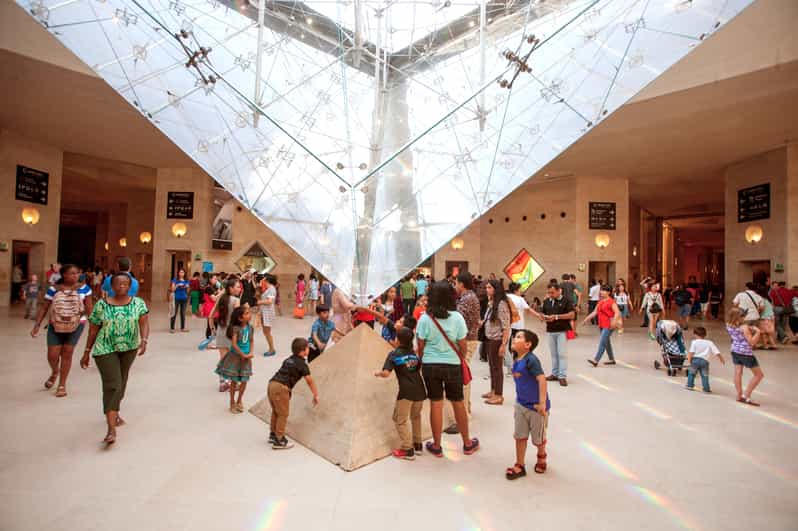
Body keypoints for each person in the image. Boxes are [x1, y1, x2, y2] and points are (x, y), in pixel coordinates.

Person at [80, 273, 149, 444]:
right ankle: (111, 429)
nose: (121, 287)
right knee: (113, 385)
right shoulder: (102, 305)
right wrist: (87, 351)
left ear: (130, 285)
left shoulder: (138, 303)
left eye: (125, 284)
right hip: (105, 348)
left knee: (122, 383)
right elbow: (94, 329)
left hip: (129, 348)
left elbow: (144, 322)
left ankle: (115, 412)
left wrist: (144, 340)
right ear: (111, 286)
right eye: (118, 284)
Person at [416, 281, 479, 458]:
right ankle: (467, 443)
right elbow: (462, 344)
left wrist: (423, 360)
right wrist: (460, 359)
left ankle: (437, 446)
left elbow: (420, 346)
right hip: (452, 365)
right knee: (458, 402)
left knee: (436, 403)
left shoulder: (425, 319)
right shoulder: (457, 318)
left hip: (430, 365)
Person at [31, 264, 93, 398]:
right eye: (71, 273)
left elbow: (89, 307)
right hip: (56, 324)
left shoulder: (85, 288)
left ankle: (62, 384)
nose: (75, 276)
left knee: (67, 352)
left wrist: (95, 324)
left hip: (77, 324)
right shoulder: (53, 289)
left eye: (77, 273)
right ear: (63, 275)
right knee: (52, 355)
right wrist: (37, 325)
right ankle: (54, 372)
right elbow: (45, 306)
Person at [374, 327, 426, 460]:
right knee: (416, 417)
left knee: (399, 420)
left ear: (397, 339)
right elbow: (417, 369)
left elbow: (386, 373)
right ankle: (418, 445)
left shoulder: (394, 354)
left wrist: (378, 373)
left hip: (406, 392)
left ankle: (407, 449)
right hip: (420, 390)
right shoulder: (413, 354)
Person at [506, 329, 550, 479]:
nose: (514, 338)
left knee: (538, 439)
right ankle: (519, 465)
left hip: (537, 408)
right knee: (519, 436)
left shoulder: (531, 360)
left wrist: (542, 403)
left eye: (518, 337)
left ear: (528, 344)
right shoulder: (516, 358)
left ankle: (541, 454)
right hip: (521, 405)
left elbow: (542, 379)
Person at [267, 338, 319, 449]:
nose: (308, 349)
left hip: (272, 384)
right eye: (307, 348)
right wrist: (315, 394)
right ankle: (279, 440)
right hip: (281, 388)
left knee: (276, 412)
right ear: (303, 351)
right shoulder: (302, 364)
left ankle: (273, 434)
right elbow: (309, 380)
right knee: (283, 414)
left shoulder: (288, 359)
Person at [532, 283, 574, 386]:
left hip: (562, 331)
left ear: (559, 290)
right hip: (550, 331)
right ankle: (555, 374)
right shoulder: (546, 301)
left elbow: (571, 315)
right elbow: (542, 313)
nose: (550, 294)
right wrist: (542, 317)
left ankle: (562, 376)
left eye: (552, 292)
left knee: (562, 354)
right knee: (554, 354)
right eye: (549, 292)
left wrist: (556, 317)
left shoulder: (566, 300)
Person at [215, 306, 254, 413]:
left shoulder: (250, 328)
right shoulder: (236, 329)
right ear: (240, 318)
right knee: (234, 381)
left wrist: (250, 352)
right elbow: (234, 344)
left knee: (245, 380)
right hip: (235, 357)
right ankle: (232, 402)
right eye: (246, 313)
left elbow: (251, 341)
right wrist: (243, 354)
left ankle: (239, 400)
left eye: (249, 313)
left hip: (246, 358)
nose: (249, 315)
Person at [726, 307, 765, 406]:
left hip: (735, 350)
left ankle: (739, 395)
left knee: (738, 373)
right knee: (759, 375)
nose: (744, 318)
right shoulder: (744, 327)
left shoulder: (728, 325)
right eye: (743, 316)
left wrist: (747, 328)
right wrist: (757, 332)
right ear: (739, 317)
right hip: (746, 353)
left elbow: (739, 334)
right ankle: (746, 395)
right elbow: (751, 342)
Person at [482, 280, 511, 405]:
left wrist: (504, 345)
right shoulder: (492, 303)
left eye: (489, 287)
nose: (486, 289)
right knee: (492, 366)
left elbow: (506, 326)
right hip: (490, 338)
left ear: (496, 289)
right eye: (486, 287)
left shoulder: (501, 304)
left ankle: (499, 395)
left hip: (497, 340)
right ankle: (493, 390)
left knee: (497, 368)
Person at [209, 278, 241, 392]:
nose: (239, 289)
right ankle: (232, 383)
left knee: (223, 358)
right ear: (230, 288)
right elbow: (239, 319)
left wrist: (213, 329)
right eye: (237, 287)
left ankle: (223, 383)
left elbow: (211, 316)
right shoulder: (236, 301)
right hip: (232, 333)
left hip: (221, 332)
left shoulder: (221, 299)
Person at [583, 284, 622, 367]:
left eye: (604, 290)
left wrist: (614, 322)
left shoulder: (611, 301)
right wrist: (586, 319)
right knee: (606, 342)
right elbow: (595, 312)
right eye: (601, 290)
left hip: (609, 325)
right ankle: (611, 359)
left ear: (609, 292)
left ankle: (596, 360)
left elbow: (617, 312)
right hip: (602, 324)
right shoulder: (600, 301)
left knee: (602, 342)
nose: (601, 292)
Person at [685, 326, 725, 393]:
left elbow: (691, 352)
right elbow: (716, 351)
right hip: (704, 361)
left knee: (691, 373)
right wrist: (721, 359)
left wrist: (689, 360)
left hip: (695, 360)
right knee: (704, 375)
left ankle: (690, 385)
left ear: (695, 334)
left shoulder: (694, 342)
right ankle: (706, 389)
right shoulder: (709, 342)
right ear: (705, 335)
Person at [256, 274, 277, 357]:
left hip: (268, 313)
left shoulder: (272, 289)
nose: (262, 280)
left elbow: (269, 301)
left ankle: (272, 349)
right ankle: (271, 348)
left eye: (264, 279)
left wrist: (259, 302)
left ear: (267, 280)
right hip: (264, 312)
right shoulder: (268, 289)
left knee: (267, 332)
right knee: (266, 332)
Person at [170, 269, 190, 333]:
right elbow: (172, 289)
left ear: (184, 273)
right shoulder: (175, 280)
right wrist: (177, 285)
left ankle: (182, 328)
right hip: (176, 298)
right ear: (178, 273)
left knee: (183, 313)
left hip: (184, 299)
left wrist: (187, 287)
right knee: (174, 313)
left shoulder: (186, 280)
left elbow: (188, 290)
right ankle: (172, 328)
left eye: (183, 272)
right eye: (180, 272)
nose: (181, 273)